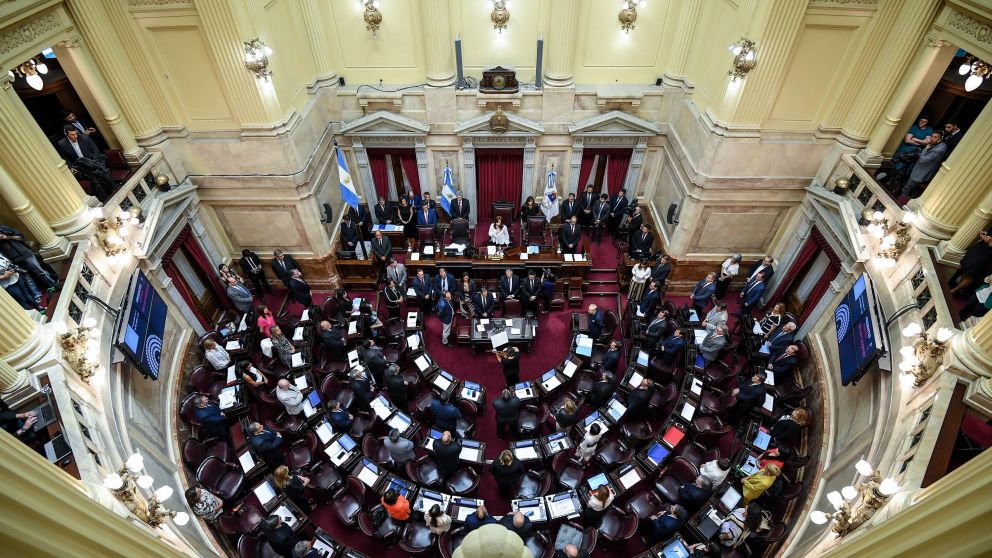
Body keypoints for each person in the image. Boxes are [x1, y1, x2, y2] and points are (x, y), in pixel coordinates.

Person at [57, 127, 112, 200]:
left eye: (76, 133)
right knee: (95, 179)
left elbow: (95, 150)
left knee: (100, 175)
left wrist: (94, 162)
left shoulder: (85, 138)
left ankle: (110, 192)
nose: (75, 136)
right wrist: (71, 168)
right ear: (66, 134)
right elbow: (65, 158)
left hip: (92, 162)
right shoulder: (62, 143)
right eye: (72, 135)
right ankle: (106, 197)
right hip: (81, 167)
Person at [0, 225, 56, 294]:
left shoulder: (4, 228)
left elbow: (21, 237)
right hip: (15, 260)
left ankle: (54, 284)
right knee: (27, 279)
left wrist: (9, 237)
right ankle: (37, 295)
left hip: (26, 254)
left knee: (40, 272)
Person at [949, 229, 992, 298]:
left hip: (988, 254)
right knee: (966, 265)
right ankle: (959, 287)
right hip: (981, 246)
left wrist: (991, 242)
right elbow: (989, 231)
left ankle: (954, 291)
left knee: (972, 273)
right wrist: (984, 234)